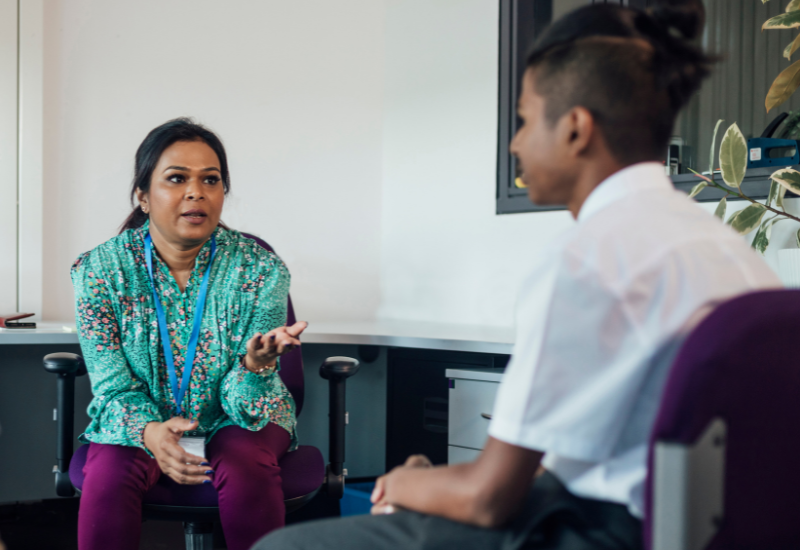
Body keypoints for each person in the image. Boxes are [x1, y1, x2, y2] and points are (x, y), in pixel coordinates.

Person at [254, 2, 782, 549]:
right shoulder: (730, 253)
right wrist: (437, 484)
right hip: (690, 527)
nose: (515, 144)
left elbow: (489, 498)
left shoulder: (586, 258)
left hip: (602, 533)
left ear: (576, 128)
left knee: (283, 546)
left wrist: (406, 482)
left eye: (526, 120)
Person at [71, 118, 307, 550]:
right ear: (143, 195)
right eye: (177, 178)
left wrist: (255, 365)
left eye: (210, 180)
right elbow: (112, 385)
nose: (196, 192)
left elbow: (247, 403)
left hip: (239, 414)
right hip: (138, 417)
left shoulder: (261, 269)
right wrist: (151, 432)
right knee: (108, 477)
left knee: (246, 464)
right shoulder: (99, 271)